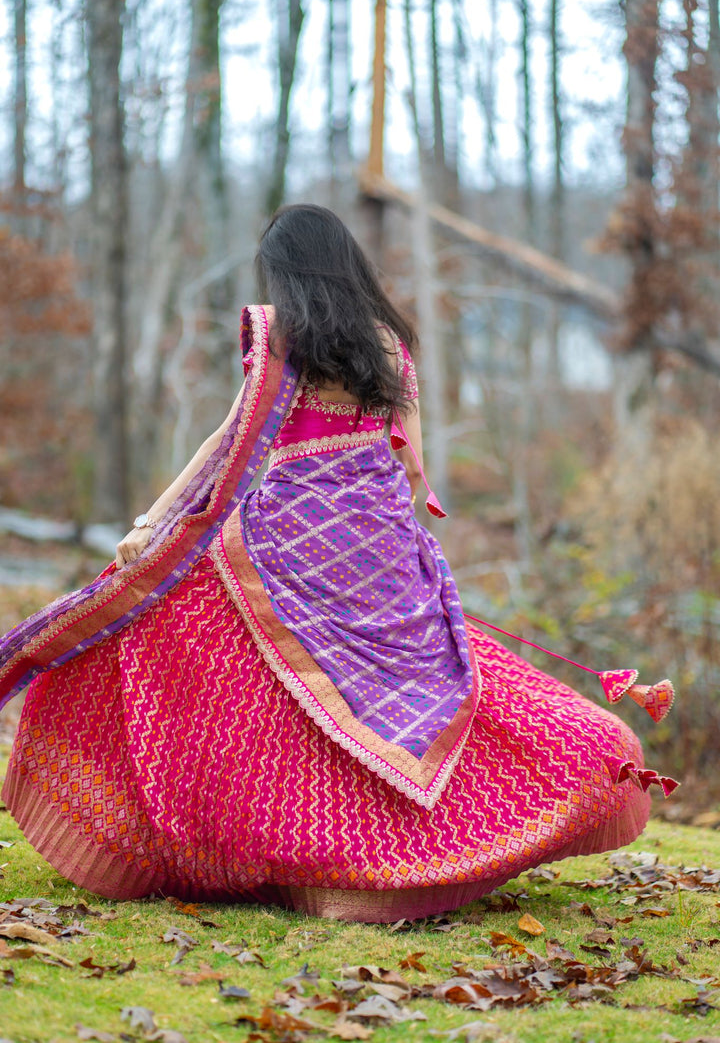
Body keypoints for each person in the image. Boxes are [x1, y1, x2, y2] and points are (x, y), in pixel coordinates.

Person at [0, 205, 669, 923]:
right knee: (428, 693)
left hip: (281, 548)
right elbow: (412, 469)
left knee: (181, 640)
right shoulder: (392, 347)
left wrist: (154, 521)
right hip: (382, 557)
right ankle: (567, 769)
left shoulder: (281, 343)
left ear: (289, 276)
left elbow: (228, 443)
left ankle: (219, 845)